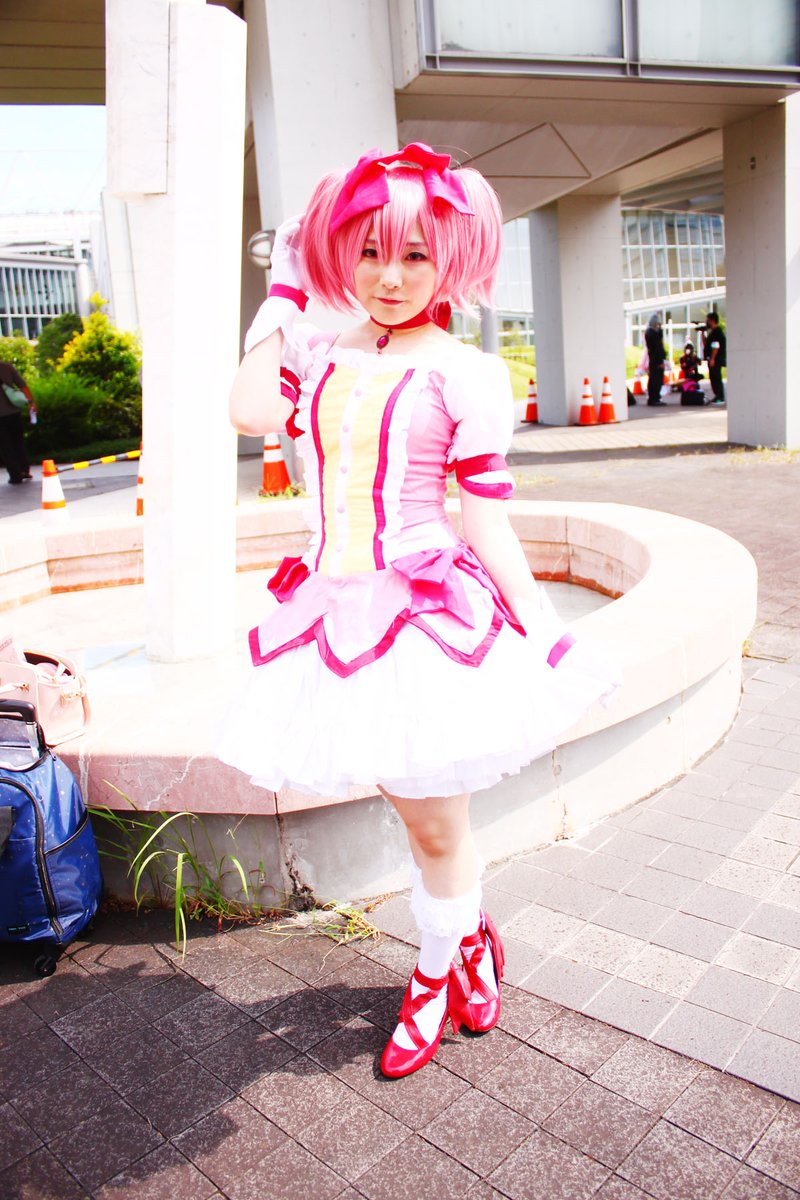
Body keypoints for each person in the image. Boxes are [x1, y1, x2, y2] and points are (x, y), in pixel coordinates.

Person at [218, 143, 618, 1079]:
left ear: (450, 262)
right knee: (418, 818)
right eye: (368, 252)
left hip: (426, 620)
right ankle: (469, 937)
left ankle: (433, 975)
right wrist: (284, 291)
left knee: (435, 826)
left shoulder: (467, 374)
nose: (388, 277)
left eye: (413, 256)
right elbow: (249, 412)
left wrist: (548, 635)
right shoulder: (321, 348)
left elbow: (486, 523)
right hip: (330, 614)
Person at [0, 360, 34, 484]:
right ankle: (24, 470)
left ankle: (15, 475)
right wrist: (31, 402)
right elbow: (22, 385)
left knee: (5, 446)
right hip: (14, 412)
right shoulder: (7, 367)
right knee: (18, 442)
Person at [644, 313, 667, 406]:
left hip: (653, 360)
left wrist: (660, 330)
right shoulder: (653, 333)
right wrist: (661, 361)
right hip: (656, 360)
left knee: (653, 378)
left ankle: (652, 398)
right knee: (656, 379)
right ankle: (655, 398)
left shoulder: (649, 332)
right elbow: (658, 347)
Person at [704, 312, 726, 404]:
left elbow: (715, 346)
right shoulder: (712, 332)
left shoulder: (717, 332)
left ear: (712, 320)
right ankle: (717, 395)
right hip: (713, 359)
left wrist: (713, 358)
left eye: (708, 320)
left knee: (716, 377)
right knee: (713, 378)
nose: (707, 322)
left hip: (716, 359)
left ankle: (720, 396)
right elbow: (707, 344)